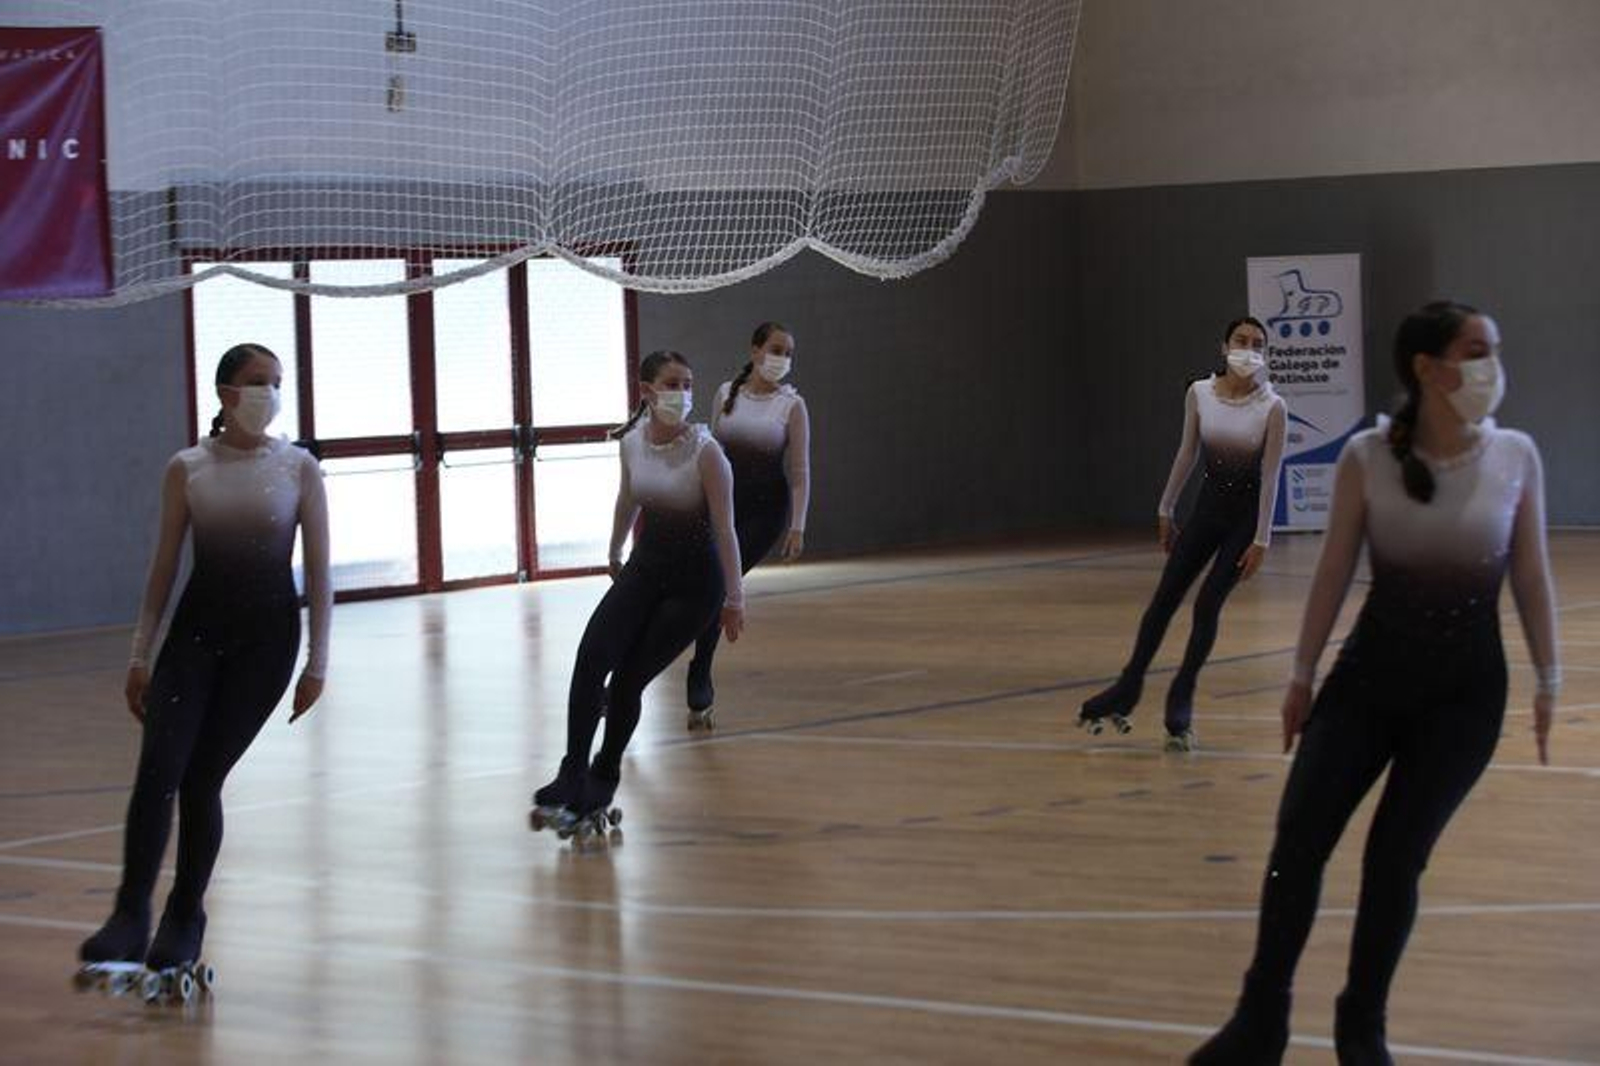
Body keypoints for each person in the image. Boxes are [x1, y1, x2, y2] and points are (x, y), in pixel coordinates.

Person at [1190, 301, 1560, 1064]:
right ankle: (1260, 1020)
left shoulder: (1517, 454)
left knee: (1394, 861)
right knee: (1297, 841)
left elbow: (1530, 572)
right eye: (1475, 349)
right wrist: (1299, 677)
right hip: (1365, 685)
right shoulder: (1366, 457)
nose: (1492, 364)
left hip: (1463, 701)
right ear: (1427, 367)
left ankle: (1362, 1030)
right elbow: (1332, 572)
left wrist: (1550, 678)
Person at [79, 342, 331, 973]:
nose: (268, 393)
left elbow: (321, 574)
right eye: (255, 382)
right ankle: (128, 914)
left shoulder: (299, 468)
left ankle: (185, 916)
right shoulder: (187, 467)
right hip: (193, 638)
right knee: (158, 772)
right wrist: (140, 655)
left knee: (200, 780)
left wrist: (318, 665)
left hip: (267, 645)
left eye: (276, 382)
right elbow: (164, 567)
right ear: (224, 392)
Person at [532, 350, 744, 826]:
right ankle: (571, 772)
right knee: (591, 659)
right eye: (673, 383)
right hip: (645, 569)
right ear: (647, 391)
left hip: (695, 586)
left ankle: (602, 776)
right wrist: (612, 551)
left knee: (628, 680)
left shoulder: (707, 453)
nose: (683, 393)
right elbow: (627, 499)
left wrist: (734, 599)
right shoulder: (631, 443)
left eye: (689, 383)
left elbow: (726, 530)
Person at [1078, 317, 1288, 750]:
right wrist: (1166, 507)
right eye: (1241, 341)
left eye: (1258, 344)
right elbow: (1187, 452)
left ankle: (1182, 696)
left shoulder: (1273, 407)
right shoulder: (1200, 393)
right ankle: (1128, 686)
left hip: (1244, 523)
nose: (1249, 349)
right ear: (1224, 346)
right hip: (1206, 513)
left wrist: (1262, 540)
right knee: (1164, 598)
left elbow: (1271, 478)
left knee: (1208, 603)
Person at [684, 321, 811, 728]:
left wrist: (797, 525)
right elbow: (710, 456)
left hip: (766, 511)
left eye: (789, 353)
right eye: (777, 349)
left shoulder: (792, 406)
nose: (783, 359)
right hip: (725, 505)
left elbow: (800, 469)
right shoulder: (726, 393)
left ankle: (700, 670)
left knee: (722, 580)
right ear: (755, 350)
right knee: (703, 583)